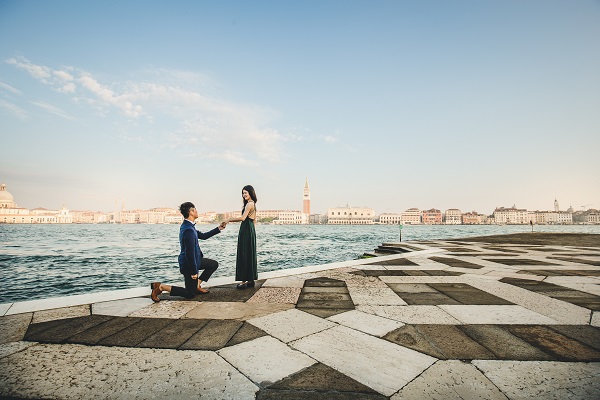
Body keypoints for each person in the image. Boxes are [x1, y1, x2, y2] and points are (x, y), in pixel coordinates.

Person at [150, 202, 225, 302]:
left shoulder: (189, 226)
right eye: (195, 210)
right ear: (191, 212)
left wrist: (219, 228)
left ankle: (197, 284)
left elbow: (203, 236)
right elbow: (189, 253)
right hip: (189, 264)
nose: (197, 212)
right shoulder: (188, 229)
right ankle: (161, 287)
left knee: (213, 264)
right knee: (190, 294)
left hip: (195, 260)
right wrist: (194, 272)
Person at [225, 185, 258, 289]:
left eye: (245, 193)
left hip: (246, 229)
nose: (244, 195)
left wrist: (229, 219)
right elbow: (254, 221)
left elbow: (243, 218)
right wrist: (252, 232)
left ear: (250, 193)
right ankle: (250, 279)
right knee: (249, 253)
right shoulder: (253, 204)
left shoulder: (249, 204)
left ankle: (243, 281)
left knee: (243, 253)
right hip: (250, 229)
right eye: (243, 193)